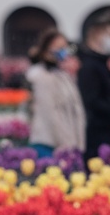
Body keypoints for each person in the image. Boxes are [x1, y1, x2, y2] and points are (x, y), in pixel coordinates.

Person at [26, 28, 86, 156]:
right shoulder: (41, 77)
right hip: (50, 143)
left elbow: (75, 109)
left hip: (68, 142)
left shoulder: (63, 75)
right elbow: (50, 114)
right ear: (46, 49)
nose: (63, 51)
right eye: (59, 47)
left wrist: (77, 143)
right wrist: (66, 144)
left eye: (65, 47)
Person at [77, 16, 110, 159]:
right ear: (98, 37)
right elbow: (92, 100)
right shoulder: (90, 66)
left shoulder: (100, 63)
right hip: (96, 131)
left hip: (105, 128)